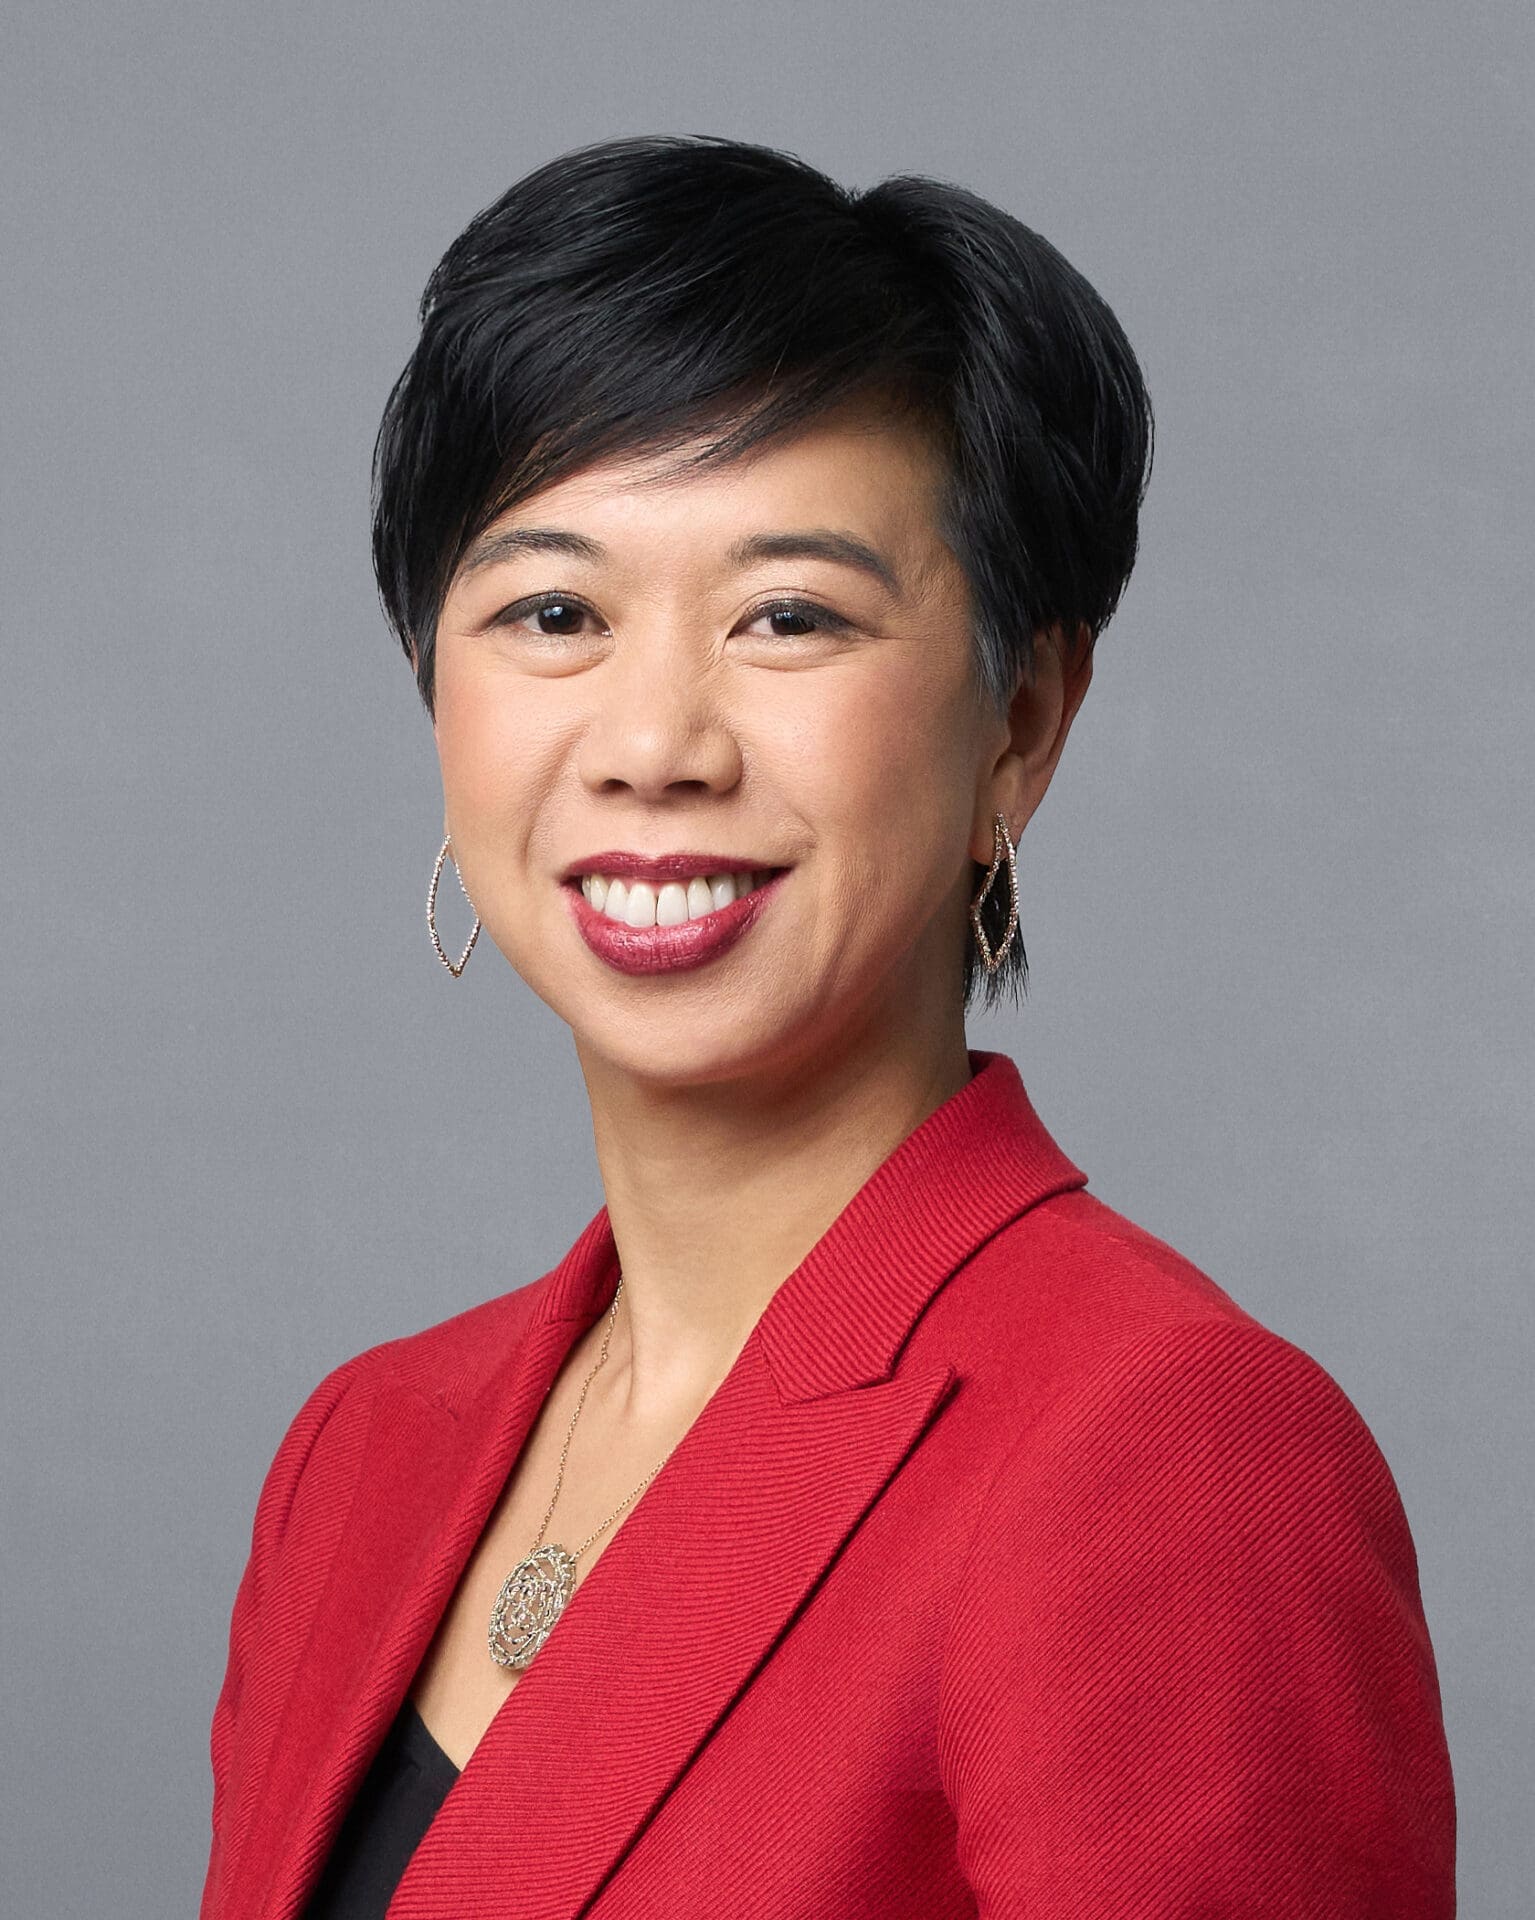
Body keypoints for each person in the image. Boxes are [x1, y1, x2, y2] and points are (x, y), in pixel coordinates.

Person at [199, 134, 1455, 1920]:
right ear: (435, 690)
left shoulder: (1167, 1453)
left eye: (788, 616)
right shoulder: (362, 1455)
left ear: (1021, 722)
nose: (655, 743)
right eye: (554, 612)